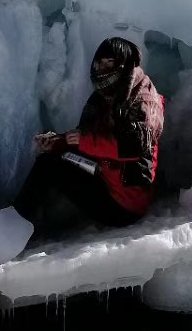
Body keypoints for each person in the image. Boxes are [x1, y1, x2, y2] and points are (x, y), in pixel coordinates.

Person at [14, 37, 165, 237]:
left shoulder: (144, 100)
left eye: (109, 63)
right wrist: (59, 142)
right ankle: (24, 223)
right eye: (99, 63)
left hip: (124, 205)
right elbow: (86, 138)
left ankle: (15, 226)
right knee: (51, 161)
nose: (101, 69)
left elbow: (136, 144)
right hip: (105, 181)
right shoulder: (105, 96)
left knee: (49, 167)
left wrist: (84, 141)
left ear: (124, 65)